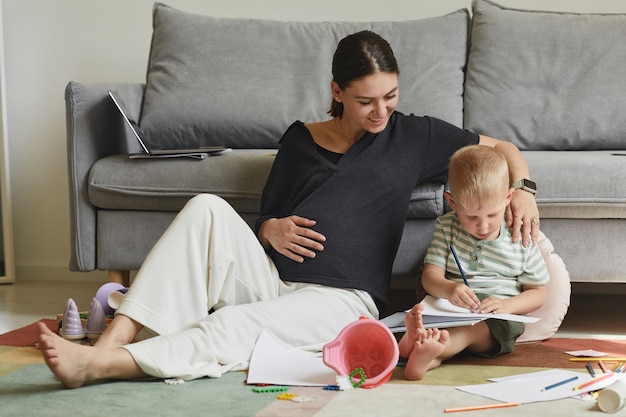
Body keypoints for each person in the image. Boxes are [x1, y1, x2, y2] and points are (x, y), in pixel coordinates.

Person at [37, 30, 540, 389]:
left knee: (230, 327)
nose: (381, 112)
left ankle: (110, 365)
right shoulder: (300, 141)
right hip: (275, 280)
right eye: (366, 101)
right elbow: (266, 217)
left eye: (390, 96)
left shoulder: (413, 135)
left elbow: (502, 149)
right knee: (205, 207)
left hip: (343, 300)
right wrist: (270, 229)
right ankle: (113, 339)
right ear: (337, 92)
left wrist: (523, 188)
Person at [398, 145, 548, 381]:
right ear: (452, 202)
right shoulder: (447, 226)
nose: (483, 226)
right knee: (443, 332)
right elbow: (429, 277)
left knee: (469, 332)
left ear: (509, 198)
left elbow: (538, 293)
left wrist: (507, 305)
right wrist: (450, 288)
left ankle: (415, 344)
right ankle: (424, 359)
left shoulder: (519, 234)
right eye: (471, 217)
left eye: (492, 215)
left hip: (499, 320)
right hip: (451, 311)